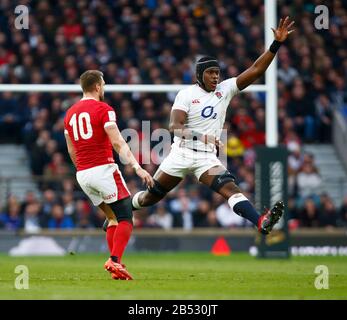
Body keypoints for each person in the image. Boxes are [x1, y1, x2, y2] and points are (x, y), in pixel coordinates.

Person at [129, 17, 295, 234]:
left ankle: (261, 222)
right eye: (210, 73)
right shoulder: (186, 94)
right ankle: (124, 207)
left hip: (205, 157)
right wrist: (201, 136)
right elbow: (174, 127)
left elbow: (255, 70)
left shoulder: (225, 89)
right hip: (181, 153)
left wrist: (276, 45)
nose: (216, 76)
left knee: (230, 189)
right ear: (199, 74)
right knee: (152, 196)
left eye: (217, 72)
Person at [64, 70, 154, 280]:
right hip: (103, 170)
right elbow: (117, 141)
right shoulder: (104, 109)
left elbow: (71, 150)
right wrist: (136, 166)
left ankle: (117, 265)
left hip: (83, 174)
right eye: (103, 84)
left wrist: (83, 169)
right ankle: (114, 261)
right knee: (126, 217)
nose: (103, 88)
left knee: (112, 217)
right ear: (97, 86)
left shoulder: (69, 114)